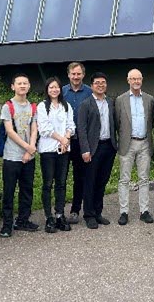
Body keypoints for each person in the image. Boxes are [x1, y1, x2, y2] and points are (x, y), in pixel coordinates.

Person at [0, 74, 39, 237]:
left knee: (27, 190)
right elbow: (9, 131)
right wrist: (27, 148)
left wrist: (31, 150)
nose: (22, 86)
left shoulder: (33, 107)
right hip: (11, 156)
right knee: (9, 191)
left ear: (29, 86)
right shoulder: (8, 106)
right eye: (19, 83)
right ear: (13, 86)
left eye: (25, 83)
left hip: (29, 157)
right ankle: (7, 225)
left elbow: (34, 129)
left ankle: (23, 220)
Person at [115, 68, 154, 225]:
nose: (136, 82)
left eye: (138, 79)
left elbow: (151, 121)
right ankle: (123, 212)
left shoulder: (149, 99)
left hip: (144, 142)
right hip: (128, 143)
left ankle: (144, 211)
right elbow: (118, 122)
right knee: (124, 179)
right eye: (133, 79)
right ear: (128, 80)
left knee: (144, 179)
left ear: (142, 80)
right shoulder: (120, 100)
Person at [78, 72, 117, 229]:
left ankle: (98, 212)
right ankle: (89, 215)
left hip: (109, 146)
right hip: (93, 148)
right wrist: (85, 149)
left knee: (102, 181)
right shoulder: (86, 104)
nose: (100, 85)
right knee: (90, 181)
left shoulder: (110, 102)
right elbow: (81, 128)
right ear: (92, 86)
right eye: (97, 83)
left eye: (103, 83)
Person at [37, 77, 76, 233]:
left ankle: (60, 215)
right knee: (48, 184)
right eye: (51, 87)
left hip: (64, 150)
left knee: (61, 183)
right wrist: (61, 139)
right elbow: (44, 128)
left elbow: (71, 125)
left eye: (57, 87)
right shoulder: (42, 106)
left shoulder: (66, 106)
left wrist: (66, 139)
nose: (54, 90)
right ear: (47, 89)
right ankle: (48, 217)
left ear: (61, 89)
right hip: (48, 151)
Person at [63, 61, 93, 224]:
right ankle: (59, 211)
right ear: (68, 75)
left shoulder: (89, 92)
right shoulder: (61, 92)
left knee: (80, 177)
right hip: (64, 142)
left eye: (78, 74)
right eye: (73, 74)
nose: (76, 77)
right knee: (61, 176)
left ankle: (75, 210)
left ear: (83, 75)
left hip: (82, 142)